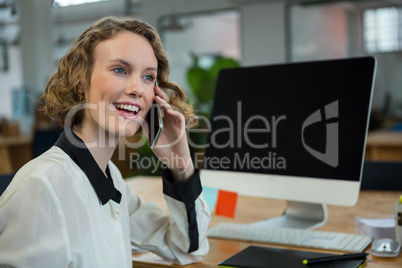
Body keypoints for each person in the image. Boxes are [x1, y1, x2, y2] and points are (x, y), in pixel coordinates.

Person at [0, 17, 210, 267]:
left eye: (148, 77)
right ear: (81, 80)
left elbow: (186, 247)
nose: (137, 89)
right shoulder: (43, 187)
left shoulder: (110, 177)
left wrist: (180, 163)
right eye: (120, 70)